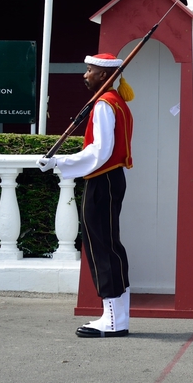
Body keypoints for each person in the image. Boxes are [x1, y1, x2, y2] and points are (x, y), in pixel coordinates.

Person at [38, 53, 135, 338]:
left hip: (102, 179)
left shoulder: (105, 104)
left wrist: (59, 162)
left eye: (90, 70)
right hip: (111, 179)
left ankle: (114, 321)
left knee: (101, 248)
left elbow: (99, 152)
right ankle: (117, 317)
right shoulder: (116, 102)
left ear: (104, 75)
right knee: (109, 246)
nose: (85, 75)